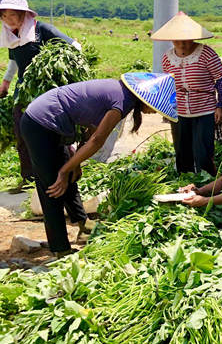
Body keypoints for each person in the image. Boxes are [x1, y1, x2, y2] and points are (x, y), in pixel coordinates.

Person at [20, 72, 177, 257]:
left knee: (69, 177)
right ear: (145, 98)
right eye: (155, 107)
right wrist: (64, 170)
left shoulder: (122, 94)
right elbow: (97, 140)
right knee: (52, 186)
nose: (155, 111)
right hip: (40, 123)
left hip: (52, 122)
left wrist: (75, 162)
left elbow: (92, 128)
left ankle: (84, 225)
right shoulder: (121, 102)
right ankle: (60, 248)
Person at [0, 0, 82, 193]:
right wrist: (5, 83)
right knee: (21, 132)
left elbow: (74, 47)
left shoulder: (41, 30)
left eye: (12, 15)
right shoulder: (12, 35)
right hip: (24, 91)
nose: (8, 20)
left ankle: (64, 173)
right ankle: (30, 178)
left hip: (47, 92)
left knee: (52, 135)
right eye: (4, 16)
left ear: (23, 14)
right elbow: (14, 61)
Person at [152, 11, 222, 176]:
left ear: (193, 38)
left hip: (204, 110)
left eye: (185, 39)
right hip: (179, 111)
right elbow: (168, 85)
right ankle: (185, 182)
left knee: (203, 153)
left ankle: (206, 182)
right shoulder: (167, 58)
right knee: (182, 151)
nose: (181, 43)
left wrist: (221, 106)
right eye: (177, 39)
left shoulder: (206, 54)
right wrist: (166, 109)